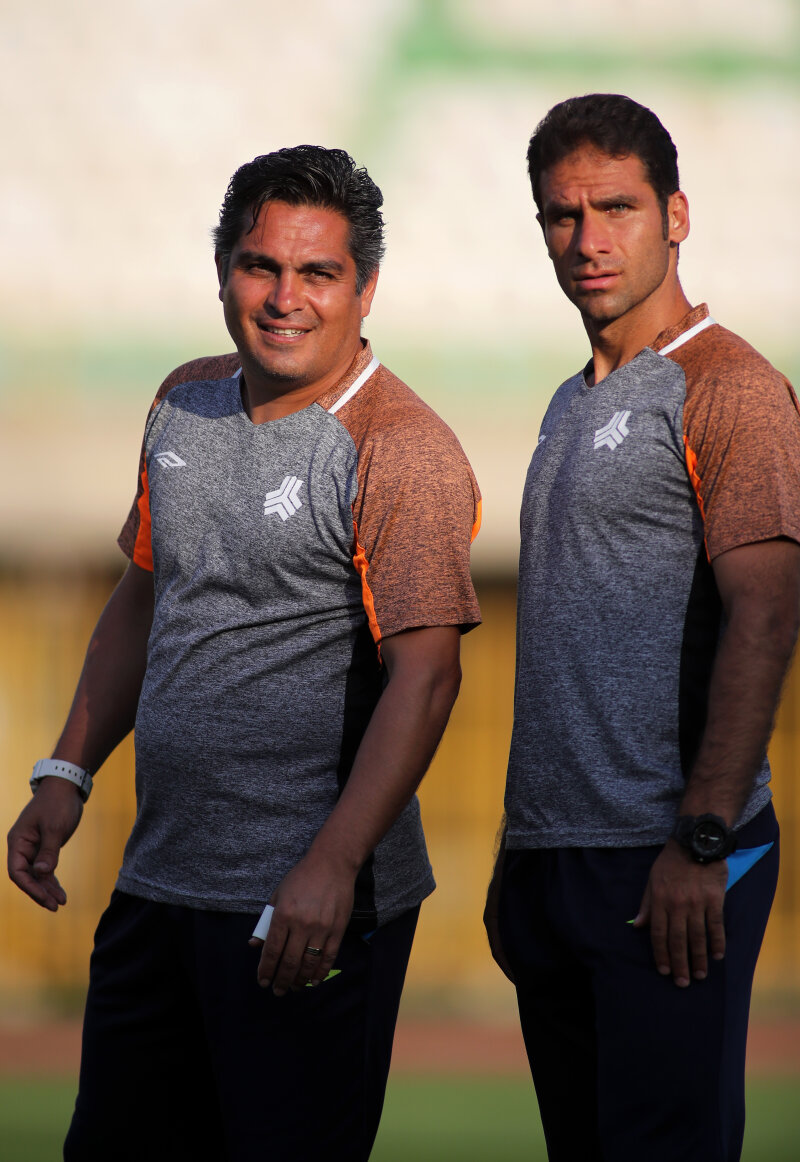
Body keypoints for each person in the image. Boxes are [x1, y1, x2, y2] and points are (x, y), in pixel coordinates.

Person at [8, 145, 482, 1162]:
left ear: (364, 288)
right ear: (222, 268)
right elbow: (145, 594)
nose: (283, 297)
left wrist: (332, 866)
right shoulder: (182, 399)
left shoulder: (400, 446)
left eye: (317, 273)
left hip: (304, 909)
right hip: (158, 884)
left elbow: (428, 677)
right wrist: (65, 771)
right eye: (260, 265)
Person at [484, 94, 800, 1162]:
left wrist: (701, 838)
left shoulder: (730, 386)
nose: (588, 238)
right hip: (555, 861)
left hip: (670, 861)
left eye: (614, 207)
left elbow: (766, 612)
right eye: (561, 215)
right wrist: (522, 852)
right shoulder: (568, 401)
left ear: (675, 215)